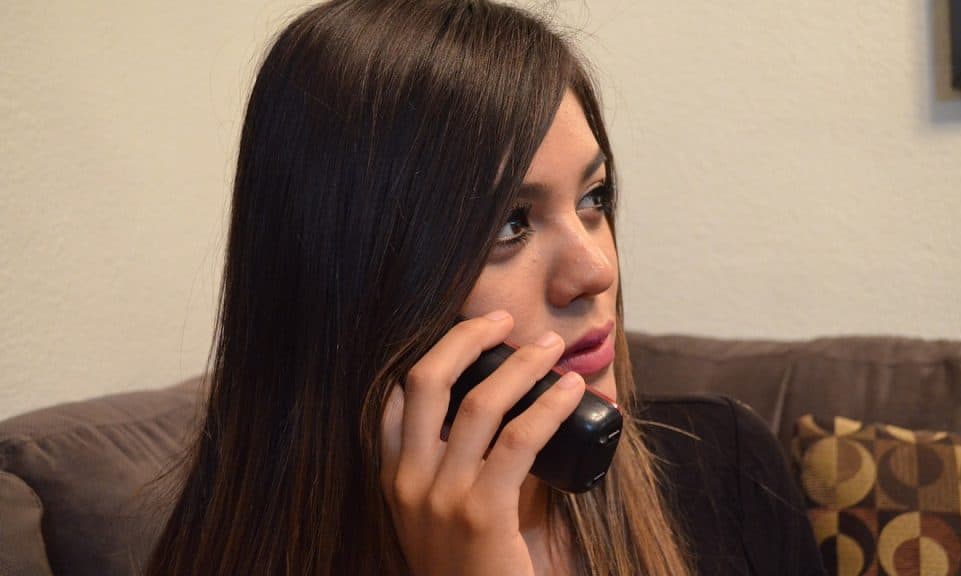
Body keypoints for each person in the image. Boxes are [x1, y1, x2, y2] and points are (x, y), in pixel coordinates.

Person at [145, 1, 825, 574]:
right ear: (356, 295)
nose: (595, 270)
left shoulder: (723, 468)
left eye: (593, 197)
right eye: (508, 223)